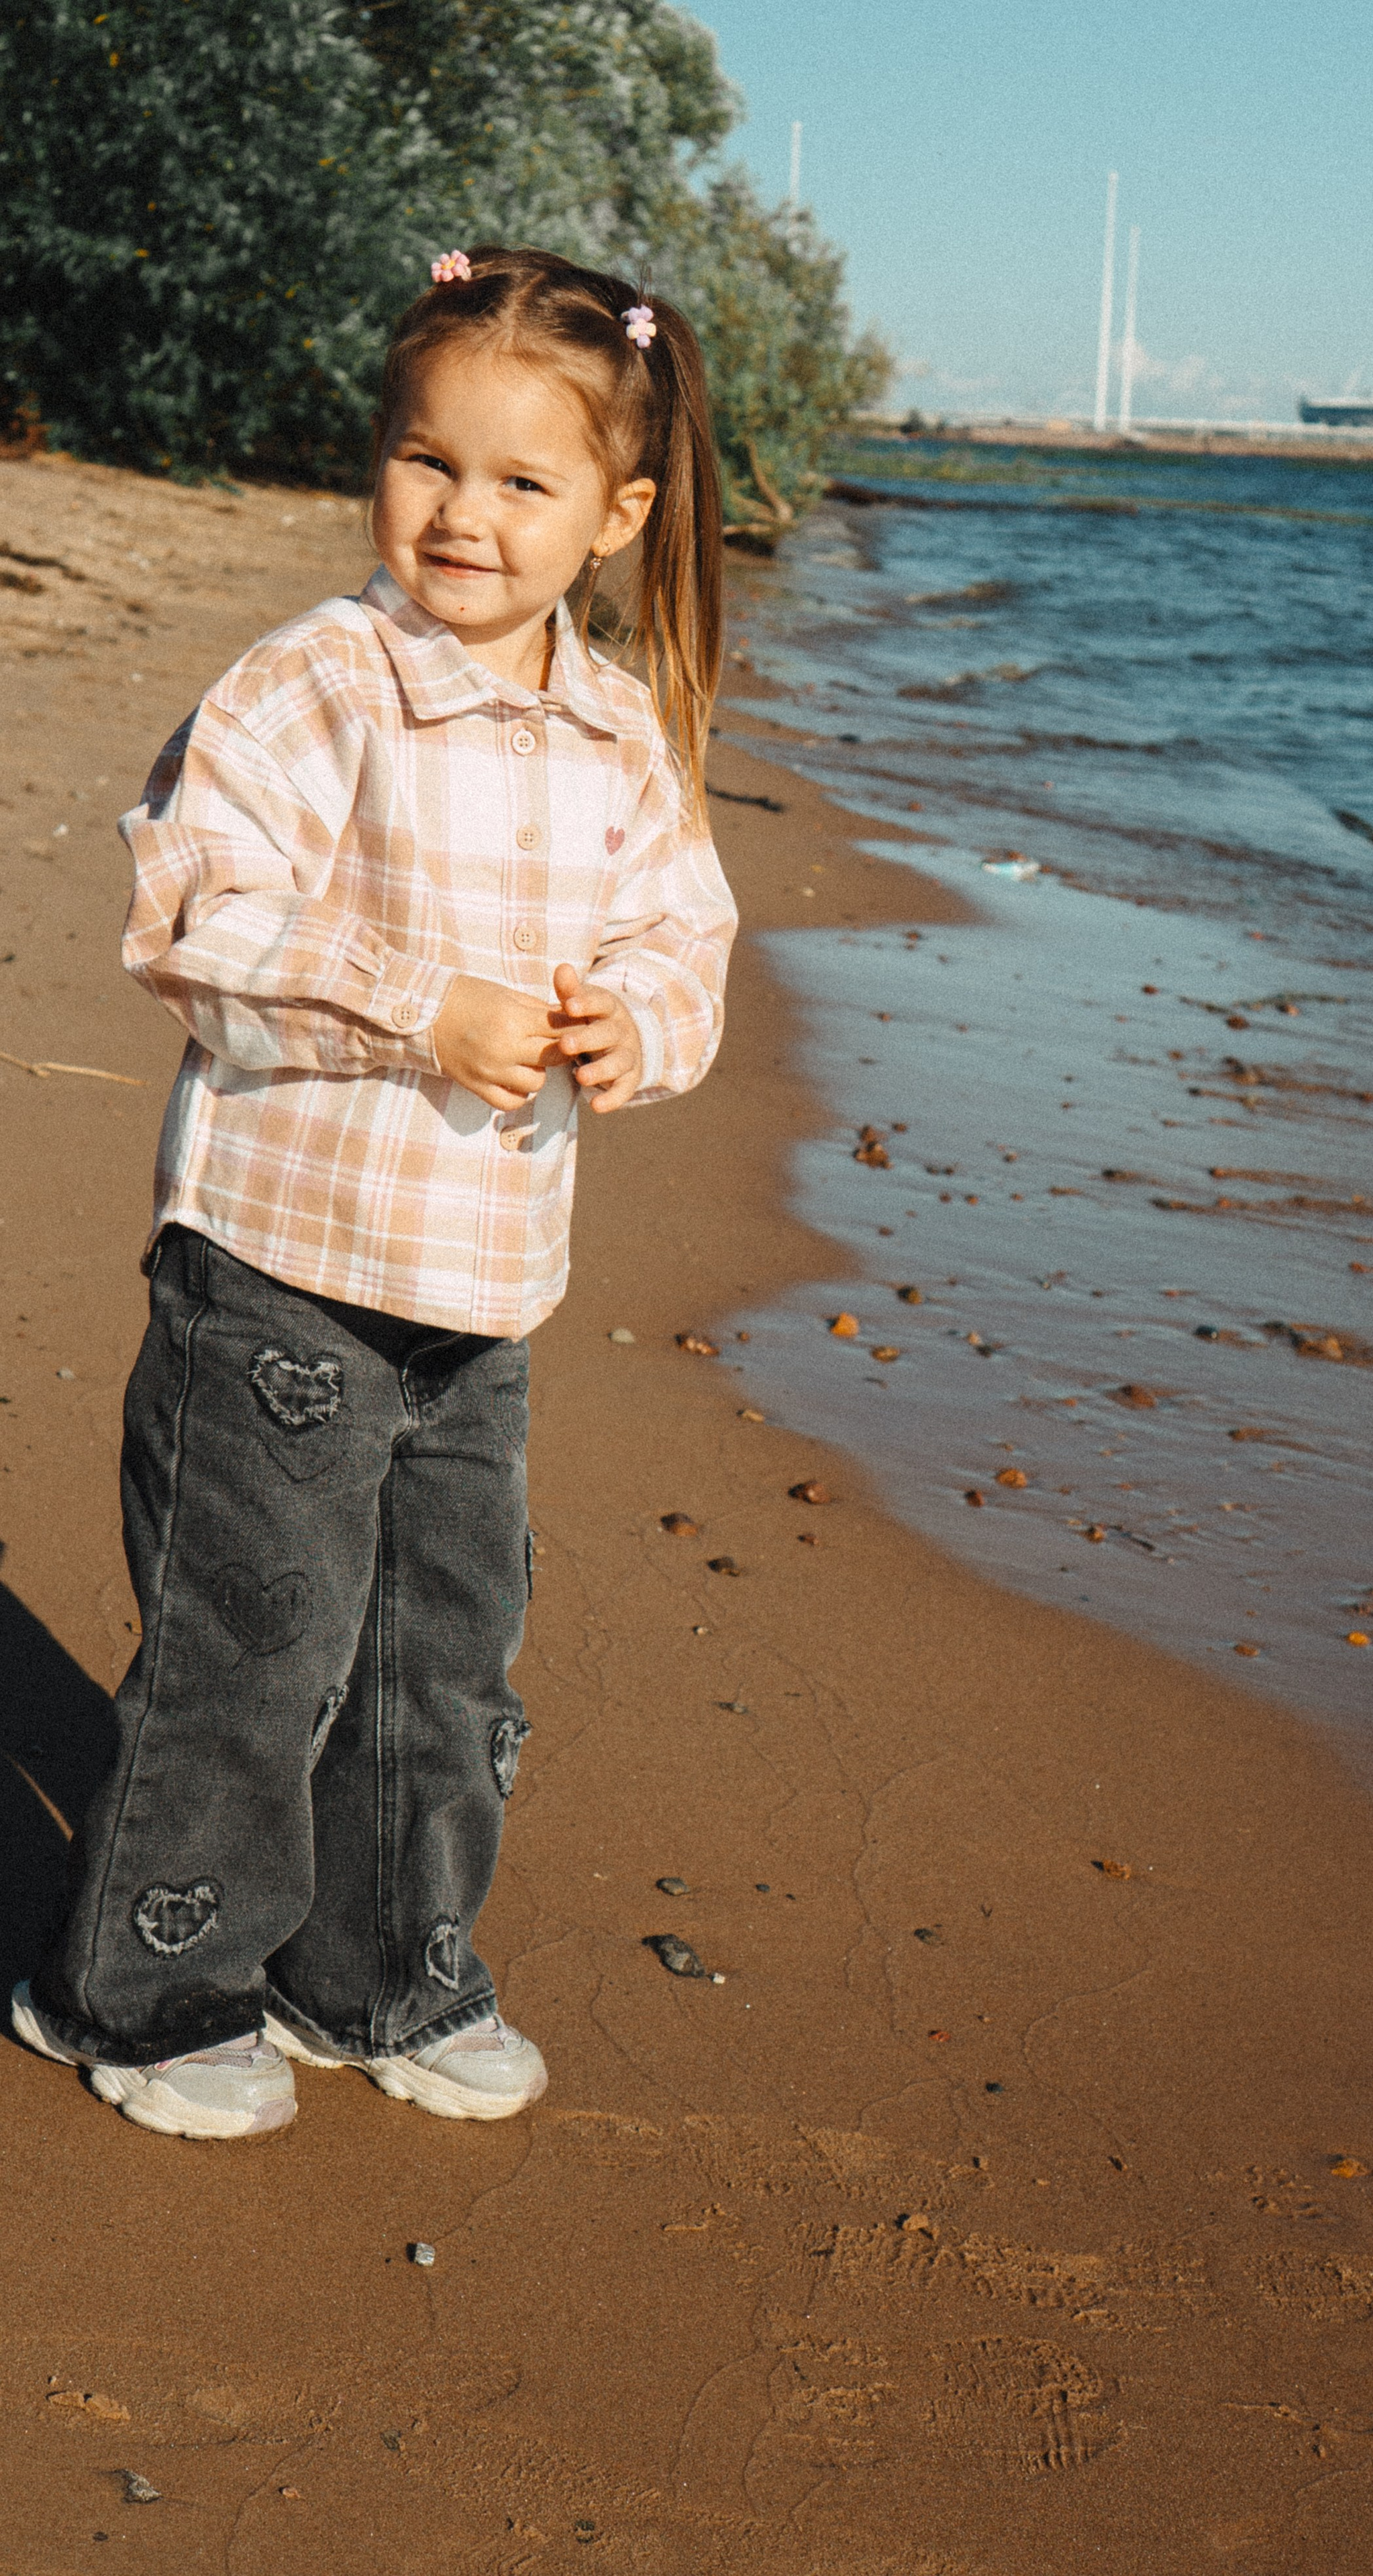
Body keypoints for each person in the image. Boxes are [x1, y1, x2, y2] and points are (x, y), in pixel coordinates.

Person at [11, 247, 737, 2139]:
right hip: (279, 1269)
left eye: (523, 484)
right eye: (431, 463)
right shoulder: (313, 687)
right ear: (380, 459)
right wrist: (431, 1004)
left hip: (480, 1291)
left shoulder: (617, 733)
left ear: (616, 515)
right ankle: (142, 1994)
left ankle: (374, 1973)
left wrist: (632, 1025)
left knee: (440, 1661)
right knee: (255, 1647)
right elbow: (189, 922)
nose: (465, 516)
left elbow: (688, 937)